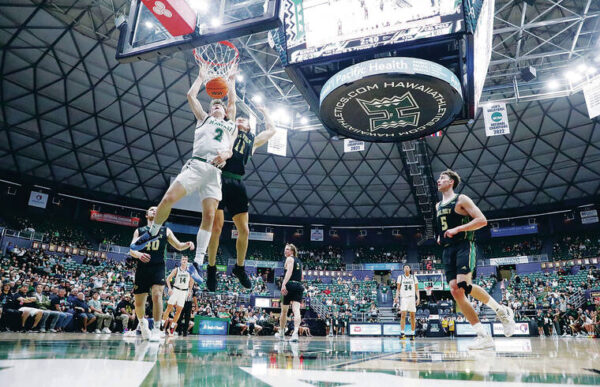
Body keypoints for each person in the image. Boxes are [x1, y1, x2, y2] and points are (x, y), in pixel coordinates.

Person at [131, 66, 238, 282]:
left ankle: (197, 262)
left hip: (215, 173)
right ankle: (152, 231)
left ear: (225, 111)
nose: (218, 106)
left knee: (209, 215)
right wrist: (200, 78)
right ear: (210, 111)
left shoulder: (230, 125)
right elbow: (191, 95)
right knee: (169, 199)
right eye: (215, 104)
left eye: (220, 105)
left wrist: (232, 81)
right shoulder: (204, 119)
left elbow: (232, 108)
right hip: (197, 165)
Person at [436, 169, 515, 350]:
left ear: (451, 182)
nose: (439, 180)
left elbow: (482, 220)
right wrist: (441, 236)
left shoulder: (461, 199)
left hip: (464, 245)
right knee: (455, 291)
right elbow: (443, 226)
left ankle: (501, 312)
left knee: (464, 285)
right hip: (448, 250)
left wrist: (458, 230)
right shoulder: (437, 205)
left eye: (443, 178)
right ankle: (482, 335)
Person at [205, 105, 277, 291]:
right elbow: (230, 106)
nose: (239, 120)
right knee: (217, 227)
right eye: (238, 119)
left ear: (250, 126)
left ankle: (239, 267)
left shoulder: (252, 141)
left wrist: (264, 111)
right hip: (219, 178)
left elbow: (272, 130)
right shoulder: (228, 129)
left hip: (237, 183)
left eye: (243, 120)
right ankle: (211, 268)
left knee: (244, 230)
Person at [129, 206, 195, 341]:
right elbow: (132, 250)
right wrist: (139, 254)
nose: (154, 210)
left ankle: (156, 328)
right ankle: (142, 324)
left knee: (157, 295)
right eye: (151, 209)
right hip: (142, 267)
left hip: (158, 266)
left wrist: (187, 244)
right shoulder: (140, 231)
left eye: (157, 209)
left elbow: (178, 246)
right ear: (146, 215)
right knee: (139, 303)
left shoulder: (166, 230)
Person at [275, 244, 304, 342]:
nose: (285, 251)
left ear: (292, 251)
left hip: (289, 284)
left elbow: (289, 272)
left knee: (284, 311)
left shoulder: (289, 259)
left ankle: (282, 333)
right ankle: (295, 334)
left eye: (287, 249)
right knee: (296, 310)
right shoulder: (299, 261)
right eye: (285, 249)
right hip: (299, 285)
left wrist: (283, 284)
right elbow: (301, 277)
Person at [162, 256, 194, 336]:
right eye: (183, 259)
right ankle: (161, 326)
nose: (184, 261)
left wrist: (190, 290)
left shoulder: (190, 271)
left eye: (186, 260)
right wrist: (169, 288)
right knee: (169, 308)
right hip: (175, 290)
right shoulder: (176, 270)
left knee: (179, 310)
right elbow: (168, 278)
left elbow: (192, 281)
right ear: (180, 261)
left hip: (184, 292)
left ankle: (171, 328)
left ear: (187, 262)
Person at [395, 264, 419, 340]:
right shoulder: (400, 277)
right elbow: (398, 289)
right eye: (405, 267)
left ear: (410, 269)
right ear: (403, 269)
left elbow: (417, 289)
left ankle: (412, 334)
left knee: (412, 316)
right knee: (403, 315)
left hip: (412, 298)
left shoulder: (414, 277)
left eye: (407, 267)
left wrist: (418, 298)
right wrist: (396, 297)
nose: (406, 268)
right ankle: (402, 333)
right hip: (404, 298)